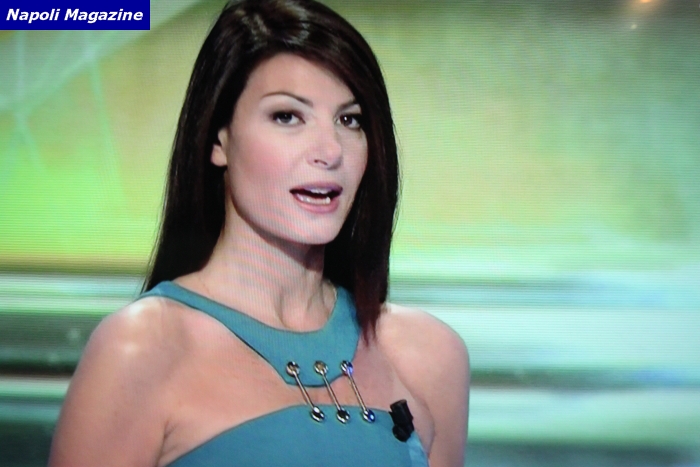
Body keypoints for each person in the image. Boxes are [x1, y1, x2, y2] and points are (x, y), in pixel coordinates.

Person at [48, 0, 469, 466]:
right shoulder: (141, 349)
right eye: (287, 116)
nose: (330, 151)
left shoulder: (427, 356)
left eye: (349, 120)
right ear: (219, 138)